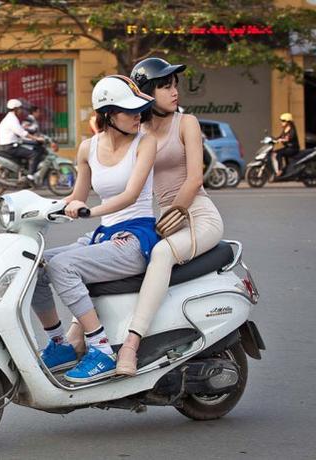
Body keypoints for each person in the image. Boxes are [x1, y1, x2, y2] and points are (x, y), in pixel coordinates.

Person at [65, 57, 225, 377]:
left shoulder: (186, 123)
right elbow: (121, 183)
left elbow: (195, 178)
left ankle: (131, 344)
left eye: (175, 84)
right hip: (161, 219)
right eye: (166, 86)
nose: (174, 91)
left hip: (196, 216)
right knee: (91, 248)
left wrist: (179, 210)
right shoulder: (139, 129)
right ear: (149, 92)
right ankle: (74, 334)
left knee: (162, 254)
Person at [32, 75, 158, 383]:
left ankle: (101, 350)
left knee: (62, 266)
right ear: (108, 114)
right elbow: (77, 196)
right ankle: (60, 344)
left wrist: (91, 211)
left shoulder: (146, 143)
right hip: (103, 236)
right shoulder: (88, 148)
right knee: (34, 265)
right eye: (129, 111)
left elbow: (129, 195)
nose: (137, 116)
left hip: (134, 239)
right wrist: (40, 209)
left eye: (139, 109)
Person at [0, 99, 46, 182]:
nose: (21, 111)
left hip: (12, 143)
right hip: (10, 146)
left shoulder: (11, 118)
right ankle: (30, 176)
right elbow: (22, 133)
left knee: (30, 148)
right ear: (15, 109)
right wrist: (36, 138)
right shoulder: (12, 119)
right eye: (20, 109)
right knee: (34, 154)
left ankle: (24, 172)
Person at [272, 112, 299, 177]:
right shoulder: (285, 130)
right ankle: (284, 171)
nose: (282, 122)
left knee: (278, 154)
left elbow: (289, 138)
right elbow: (280, 137)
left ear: (288, 122)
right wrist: (273, 139)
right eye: (281, 121)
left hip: (293, 149)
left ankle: (280, 170)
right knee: (275, 153)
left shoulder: (292, 129)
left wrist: (281, 140)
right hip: (288, 148)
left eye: (283, 121)